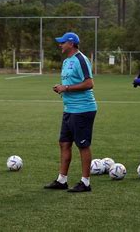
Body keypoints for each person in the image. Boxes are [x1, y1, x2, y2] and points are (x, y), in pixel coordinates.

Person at [44, 32, 97, 193]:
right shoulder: (67, 61)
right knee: (64, 143)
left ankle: (85, 182)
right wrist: (61, 87)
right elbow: (70, 83)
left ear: (72, 43)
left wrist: (66, 88)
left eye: (62, 42)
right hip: (69, 109)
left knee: (83, 145)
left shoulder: (81, 59)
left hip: (83, 109)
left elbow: (89, 83)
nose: (60, 44)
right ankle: (62, 180)